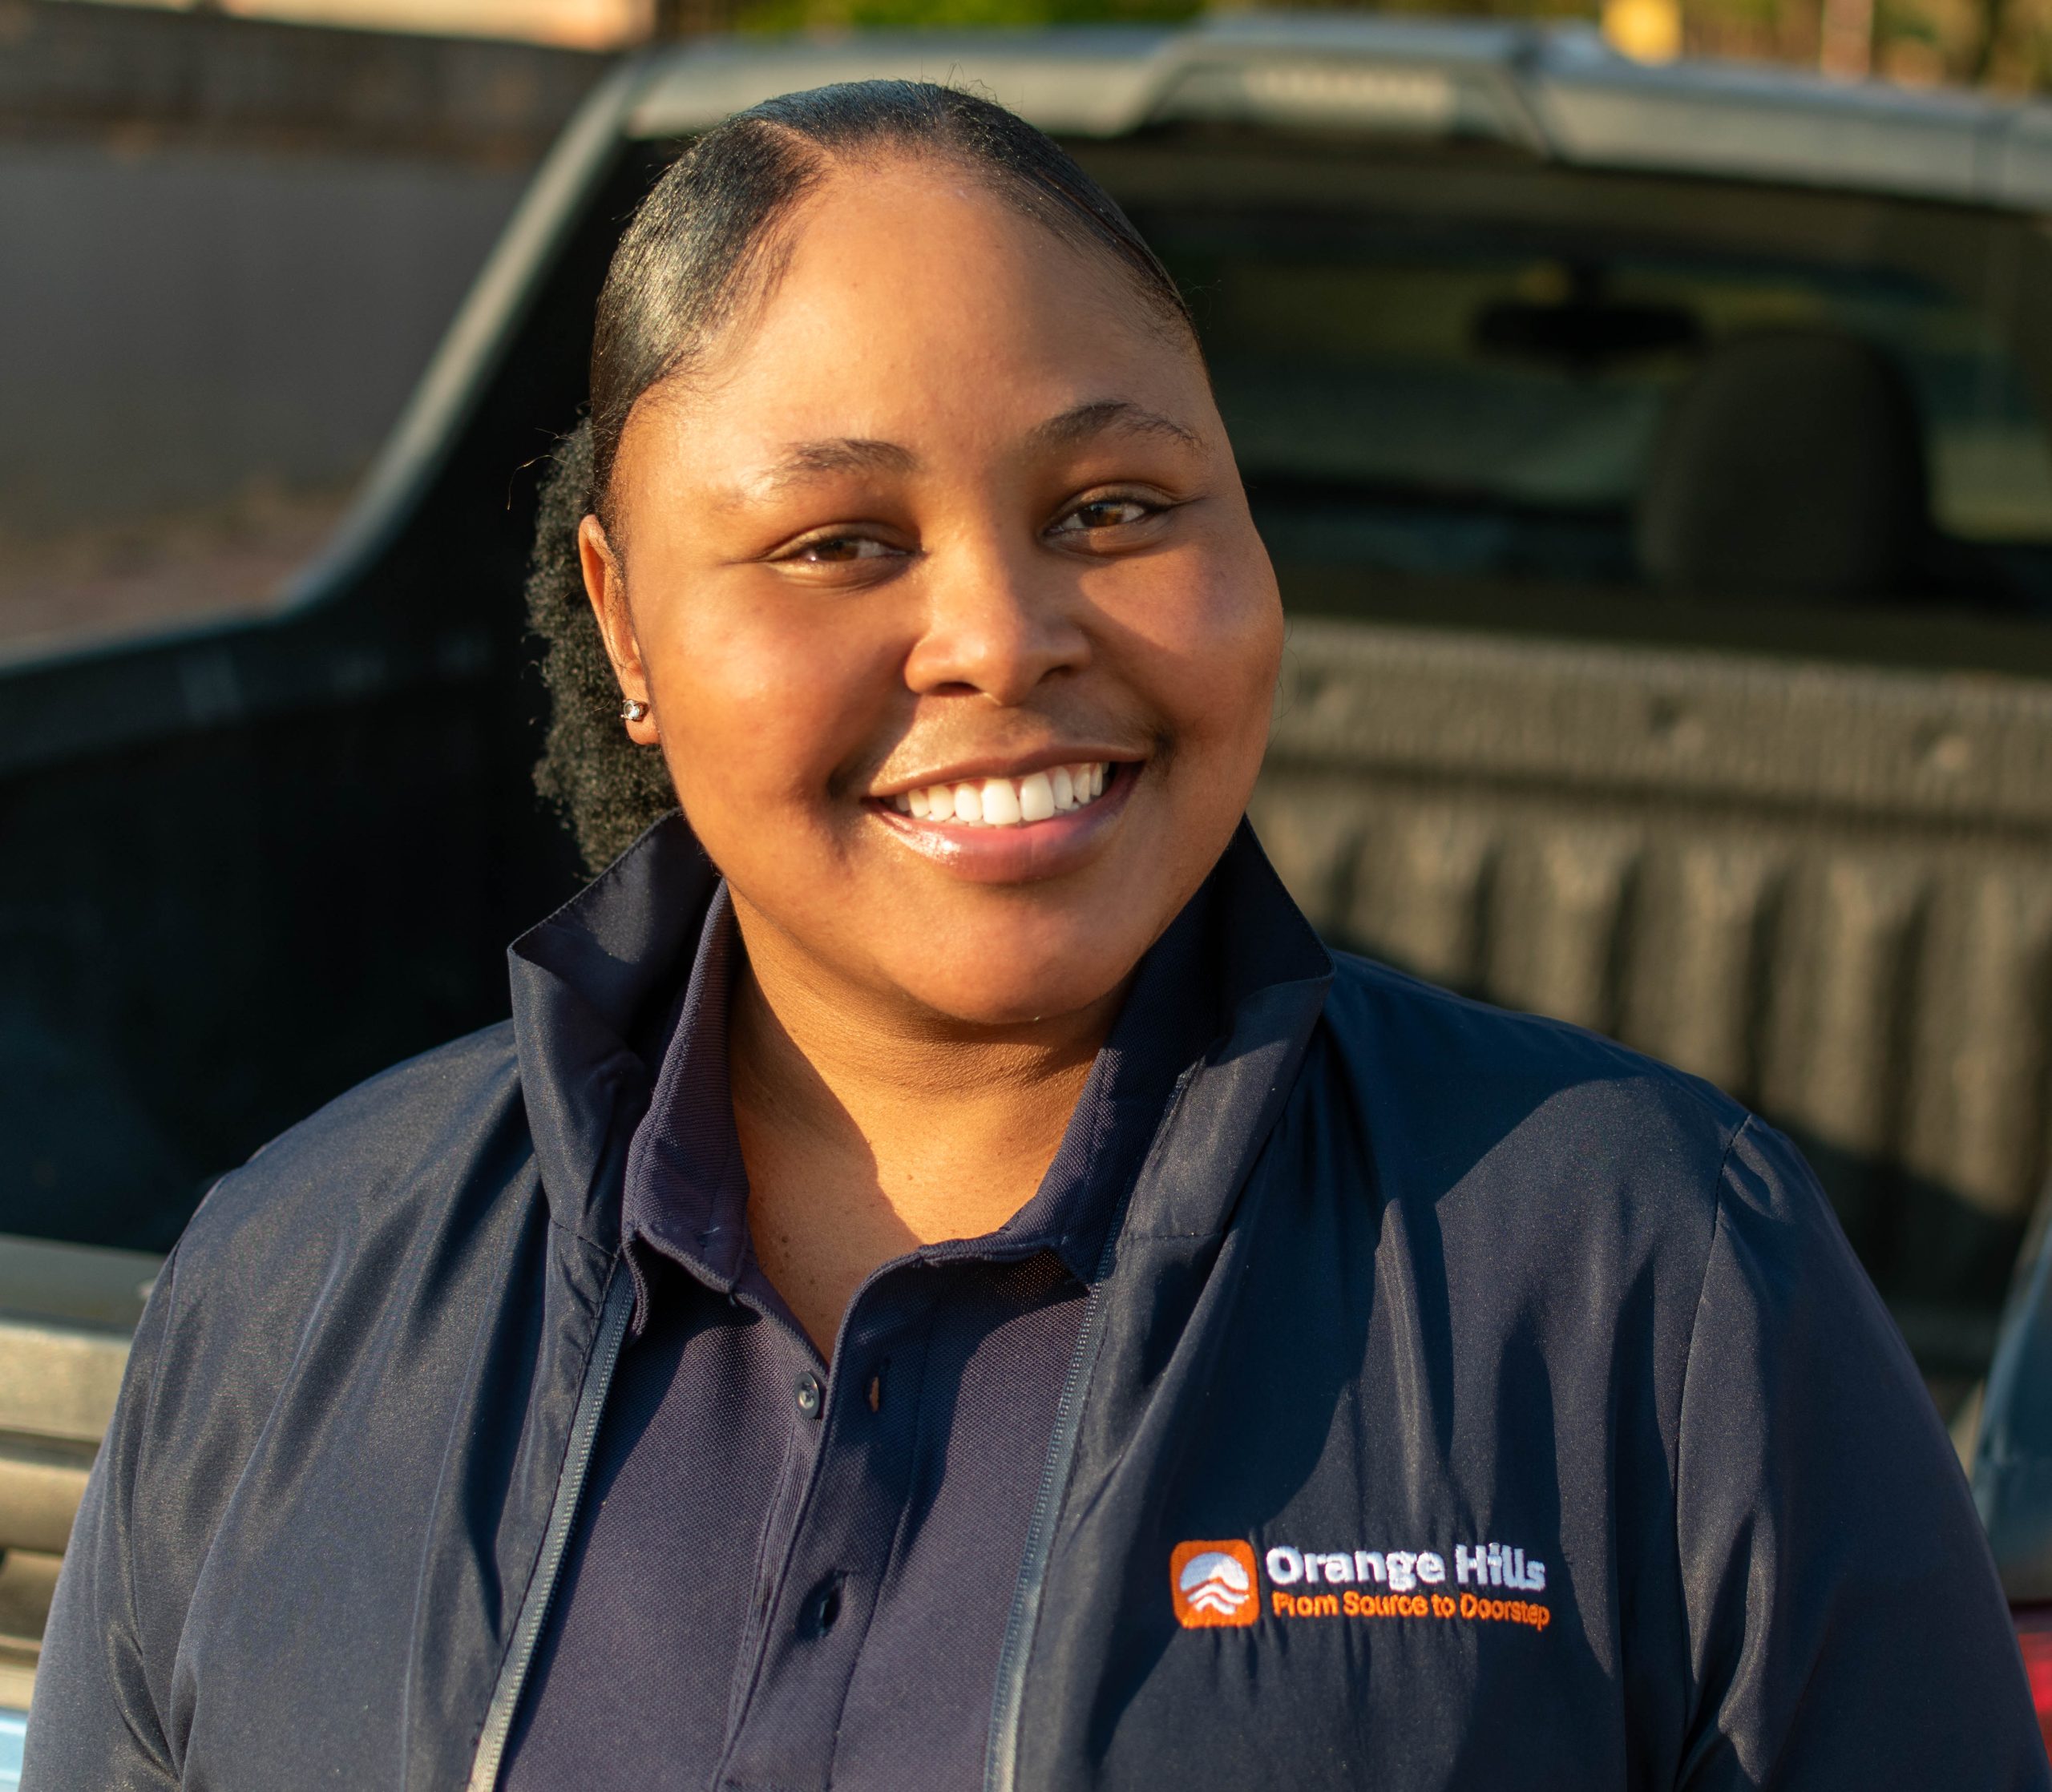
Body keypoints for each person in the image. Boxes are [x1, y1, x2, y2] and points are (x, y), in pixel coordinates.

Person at [23, 79, 2048, 1792]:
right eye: (842, 542)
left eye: (1113, 508)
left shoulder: (1657, 1281)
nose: (999, 634)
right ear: (626, 621)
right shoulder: (283, 1295)